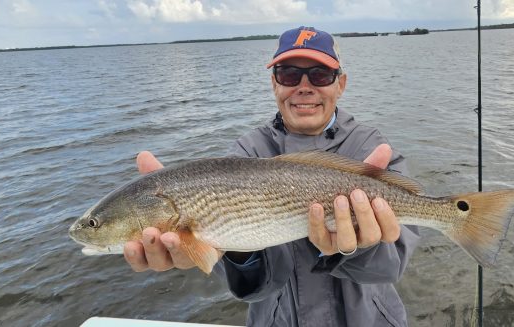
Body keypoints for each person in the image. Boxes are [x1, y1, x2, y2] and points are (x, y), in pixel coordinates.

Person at [125, 26, 420, 326]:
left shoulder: (372, 147)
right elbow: (252, 287)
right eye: (289, 74)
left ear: (340, 84)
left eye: (320, 75)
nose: (304, 87)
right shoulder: (246, 152)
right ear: (274, 84)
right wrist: (236, 254)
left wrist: (359, 248)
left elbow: (391, 266)